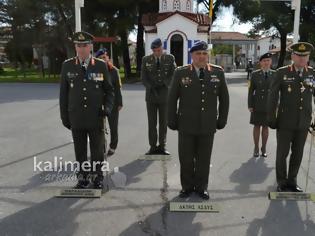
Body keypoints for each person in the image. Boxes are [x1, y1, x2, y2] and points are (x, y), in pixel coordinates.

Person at [168, 41, 230, 200]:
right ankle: (187, 187)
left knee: (204, 159)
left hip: (208, 125)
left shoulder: (218, 73)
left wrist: (221, 120)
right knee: (186, 159)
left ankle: (202, 187)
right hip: (186, 124)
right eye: (198, 54)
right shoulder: (180, 73)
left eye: (204, 54)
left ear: (207, 55)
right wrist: (172, 120)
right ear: (192, 55)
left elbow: (224, 99)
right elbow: (172, 98)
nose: (202, 57)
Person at [59, 31, 114, 189]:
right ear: (75, 47)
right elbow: (63, 94)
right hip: (76, 117)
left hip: (95, 116)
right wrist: (65, 117)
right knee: (80, 150)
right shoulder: (67, 65)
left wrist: (107, 109)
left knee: (97, 150)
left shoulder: (100, 65)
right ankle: (82, 178)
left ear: (90, 46)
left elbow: (109, 91)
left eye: (84, 45)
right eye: (78, 45)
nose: (81, 49)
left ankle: (98, 178)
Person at [267, 42, 315, 192]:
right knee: (282, 153)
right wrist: (271, 118)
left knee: (298, 153)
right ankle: (281, 181)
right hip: (285, 121)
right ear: (293, 56)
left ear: (308, 57)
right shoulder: (282, 72)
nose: (302, 59)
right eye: (299, 56)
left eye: (305, 56)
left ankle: (292, 181)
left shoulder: (312, 73)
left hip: (303, 121)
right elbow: (272, 97)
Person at [141, 38, 176, 155]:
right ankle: (152, 146)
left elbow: (173, 73)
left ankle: (162, 146)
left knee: (163, 122)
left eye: (159, 50)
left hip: (165, 95)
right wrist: (150, 86)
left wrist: (165, 83)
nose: (157, 52)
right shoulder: (146, 60)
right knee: (152, 123)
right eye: (155, 50)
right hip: (151, 95)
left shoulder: (170, 58)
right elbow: (143, 77)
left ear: (162, 48)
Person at [95, 48, 123, 157]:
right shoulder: (95, 71)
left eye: (104, 57)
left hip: (113, 102)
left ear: (107, 58)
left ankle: (113, 146)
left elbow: (117, 88)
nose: (103, 60)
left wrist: (120, 103)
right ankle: (101, 146)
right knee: (99, 127)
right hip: (98, 103)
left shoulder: (114, 70)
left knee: (113, 126)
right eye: (100, 58)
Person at [248, 53, 275, 157]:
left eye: (268, 60)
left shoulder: (275, 74)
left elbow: (277, 92)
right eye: (264, 61)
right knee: (256, 126)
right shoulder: (255, 74)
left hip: (269, 105)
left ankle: (264, 148)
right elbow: (251, 91)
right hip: (257, 105)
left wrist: (276, 104)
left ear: (271, 62)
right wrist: (250, 105)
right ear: (260, 63)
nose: (266, 63)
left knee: (265, 127)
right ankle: (256, 147)